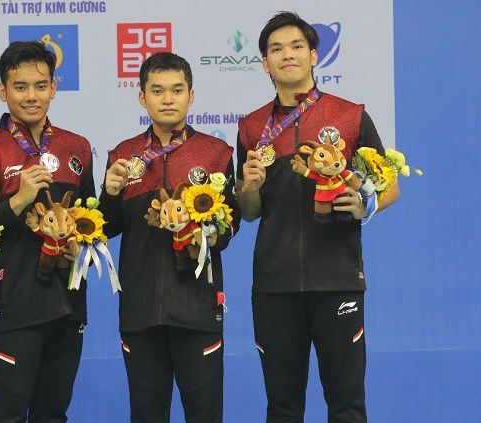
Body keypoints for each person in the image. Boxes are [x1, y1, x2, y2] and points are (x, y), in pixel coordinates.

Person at [236, 11, 400, 422]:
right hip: (275, 286)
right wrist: (248, 189)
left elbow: (390, 186)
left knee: (346, 406)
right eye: (276, 49)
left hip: (338, 281)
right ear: (264, 63)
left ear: (314, 55)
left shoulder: (350, 116)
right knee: (283, 409)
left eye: (296, 47)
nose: (286, 55)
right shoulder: (252, 127)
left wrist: (365, 205)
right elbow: (251, 214)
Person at [0, 41, 95, 422]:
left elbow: (91, 221)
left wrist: (80, 245)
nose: (31, 96)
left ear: (53, 88)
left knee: (53, 415)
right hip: (13, 305)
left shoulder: (77, 147)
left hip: (68, 303)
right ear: (3, 91)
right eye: (20, 87)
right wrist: (19, 199)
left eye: (40, 85)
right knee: (8, 415)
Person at [99, 52, 240, 423]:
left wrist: (197, 230)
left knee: (205, 415)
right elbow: (106, 228)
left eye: (177, 90)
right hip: (140, 312)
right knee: (146, 415)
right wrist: (110, 193)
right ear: (142, 97)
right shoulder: (124, 155)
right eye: (157, 90)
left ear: (191, 95)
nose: (167, 99)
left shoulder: (216, 154)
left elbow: (229, 229)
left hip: (197, 310)